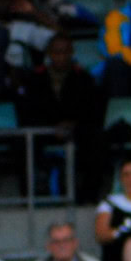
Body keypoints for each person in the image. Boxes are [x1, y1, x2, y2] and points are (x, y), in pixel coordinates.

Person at [14, 30, 107, 204]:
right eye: (57, 52)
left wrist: (73, 124)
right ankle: (28, 196)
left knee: (97, 139)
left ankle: (88, 195)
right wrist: (50, 127)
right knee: (22, 141)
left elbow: (93, 111)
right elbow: (26, 111)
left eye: (65, 52)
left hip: (75, 130)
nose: (61, 57)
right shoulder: (34, 79)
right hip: (44, 130)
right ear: (49, 54)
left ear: (72, 53)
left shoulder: (84, 78)